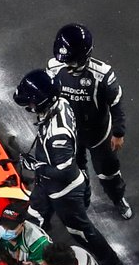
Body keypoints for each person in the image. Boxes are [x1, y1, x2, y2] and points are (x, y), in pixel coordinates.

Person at [13, 69, 123, 265]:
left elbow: (63, 170)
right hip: (47, 181)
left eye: (30, 103)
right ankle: (30, 244)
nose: (29, 107)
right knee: (35, 213)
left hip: (64, 190)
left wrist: (35, 166)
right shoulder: (61, 103)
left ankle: (112, 262)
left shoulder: (58, 135)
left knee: (79, 230)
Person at [46, 23, 134, 221]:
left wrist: (118, 133)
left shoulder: (103, 74)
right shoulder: (54, 66)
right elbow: (51, 96)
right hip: (70, 134)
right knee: (77, 172)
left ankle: (118, 198)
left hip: (99, 134)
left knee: (108, 173)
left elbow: (116, 104)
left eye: (72, 60)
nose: (68, 65)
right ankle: (83, 200)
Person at [0, 196, 53, 265]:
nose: (5, 231)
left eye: (11, 228)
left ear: (22, 224)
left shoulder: (38, 243)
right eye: (4, 226)